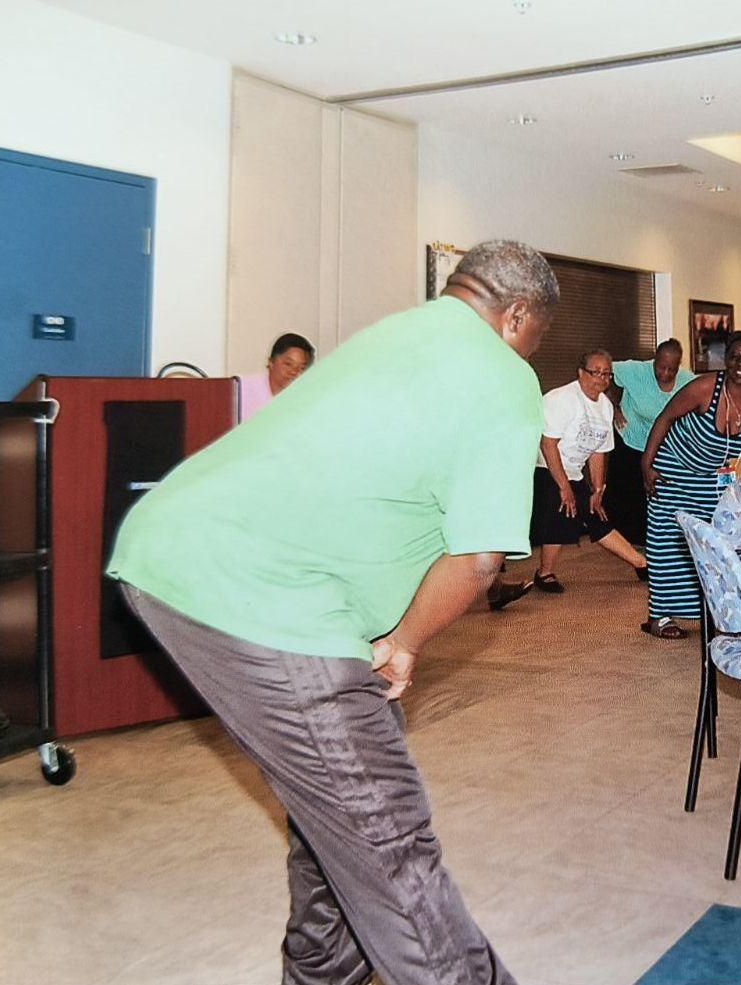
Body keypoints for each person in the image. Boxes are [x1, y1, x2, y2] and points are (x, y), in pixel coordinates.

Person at [106, 240, 557, 985]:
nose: (533, 351)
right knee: (384, 832)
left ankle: (321, 975)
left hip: (179, 548)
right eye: (538, 337)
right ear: (516, 316)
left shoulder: (392, 333)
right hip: (263, 594)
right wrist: (406, 641)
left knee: (344, 797)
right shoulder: (501, 372)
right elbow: (481, 558)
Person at [639, 333, 741, 639]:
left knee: (720, 540)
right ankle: (659, 616)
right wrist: (646, 465)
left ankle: (727, 610)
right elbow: (664, 418)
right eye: (735, 357)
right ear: (725, 360)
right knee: (667, 543)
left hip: (712, 477)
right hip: (672, 469)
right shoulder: (704, 388)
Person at [529, 349, 649, 593]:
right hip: (541, 465)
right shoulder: (561, 399)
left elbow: (598, 452)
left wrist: (597, 489)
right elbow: (547, 444)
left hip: (571, 470)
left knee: (595, 513)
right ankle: (545, 573)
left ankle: (641, 563)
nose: (602, 379)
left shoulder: (604, 407)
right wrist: (564, 487)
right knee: (562, 507)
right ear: (581, 373)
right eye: (596, 373)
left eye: (607, 374)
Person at [605, 339, 694, 546]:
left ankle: (655, 541)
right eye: (660, 367)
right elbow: (600, 371)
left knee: (657, 494)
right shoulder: (635, 371)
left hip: (665, 446)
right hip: (631, 439)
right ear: (654, 361)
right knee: (627, 496)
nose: (664, 373)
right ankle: (628, 544)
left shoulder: (688, 381)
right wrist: (613, 406)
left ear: (679, 365)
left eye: (671, 369)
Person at [238, 332, 315, 421]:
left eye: (302, 368)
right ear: (271, 362)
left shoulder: (305, 399)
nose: (294, 372)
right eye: (288, 364)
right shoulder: (241, 389)